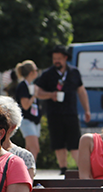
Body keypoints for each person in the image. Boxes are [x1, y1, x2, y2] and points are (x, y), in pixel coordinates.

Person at [34, 45, 91, 175]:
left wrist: (87, 110)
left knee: (75, 142)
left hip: (71, 112)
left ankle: (80, 169)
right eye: (54, 58)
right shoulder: (47, 74)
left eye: (59, 58)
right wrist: (50, 95)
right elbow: (37, 91)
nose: (56, 61)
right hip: (54, 113)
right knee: (58, 142)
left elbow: (81, 91)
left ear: (65, 58)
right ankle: (63, 169)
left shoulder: (74, 72)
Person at [14, 60, 41, 160]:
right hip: (26, 120)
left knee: (29, 149)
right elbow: (25, 106)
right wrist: (34, 95)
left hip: (34, 120)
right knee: (35, 148)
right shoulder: (23, 86)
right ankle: (29, 171)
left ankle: (25, 169)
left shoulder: (31, 85)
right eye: (36, 70)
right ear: (31, 72)